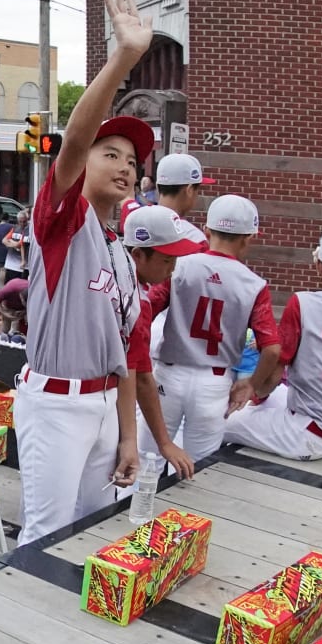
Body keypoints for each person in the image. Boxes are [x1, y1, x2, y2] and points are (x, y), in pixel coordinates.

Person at [16, 0, 157, 545]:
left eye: (132, 160)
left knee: (94, 537)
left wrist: (129, 436)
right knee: (47, 536)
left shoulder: (121, 250)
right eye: (111, 154)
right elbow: (71, 143)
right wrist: (123, 57)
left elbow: (124, 358)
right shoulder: (63, 221)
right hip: (54, 404)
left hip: (103, 405)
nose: (125, 167)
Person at [221, 227, 322, 461]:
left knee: (216, 422)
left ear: (319, 265)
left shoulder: (302, 302)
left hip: (302, 435)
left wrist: (252, 386)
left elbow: (270, 380)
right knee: (275, 398)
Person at [143, 193, 283, 468]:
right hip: (214, 381)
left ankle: (137, 511)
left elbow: (145, 310)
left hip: (169, 374)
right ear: (247, 238)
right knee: (199, 470)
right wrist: (252, 384)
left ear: (207, 231)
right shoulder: (254, 283)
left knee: (147, 460)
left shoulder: (178, 266)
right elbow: (273, 348)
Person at [119, 204, 201, 481]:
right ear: (138, 255)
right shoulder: (130, 296)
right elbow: (138, 377)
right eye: (167, 260)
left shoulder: (130, 284)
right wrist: (162, 442)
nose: (173, 268)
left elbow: (141, 374)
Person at [0, 209, 28, 285]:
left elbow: (20, 244)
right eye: (20, 221)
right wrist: (15, 244)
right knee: (9, 285)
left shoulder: (28, 230)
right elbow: (4, 240)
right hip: (11, 264)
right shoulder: (14, 228)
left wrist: (12, 242)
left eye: (24, 221)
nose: (22, 224)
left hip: (23, 266)